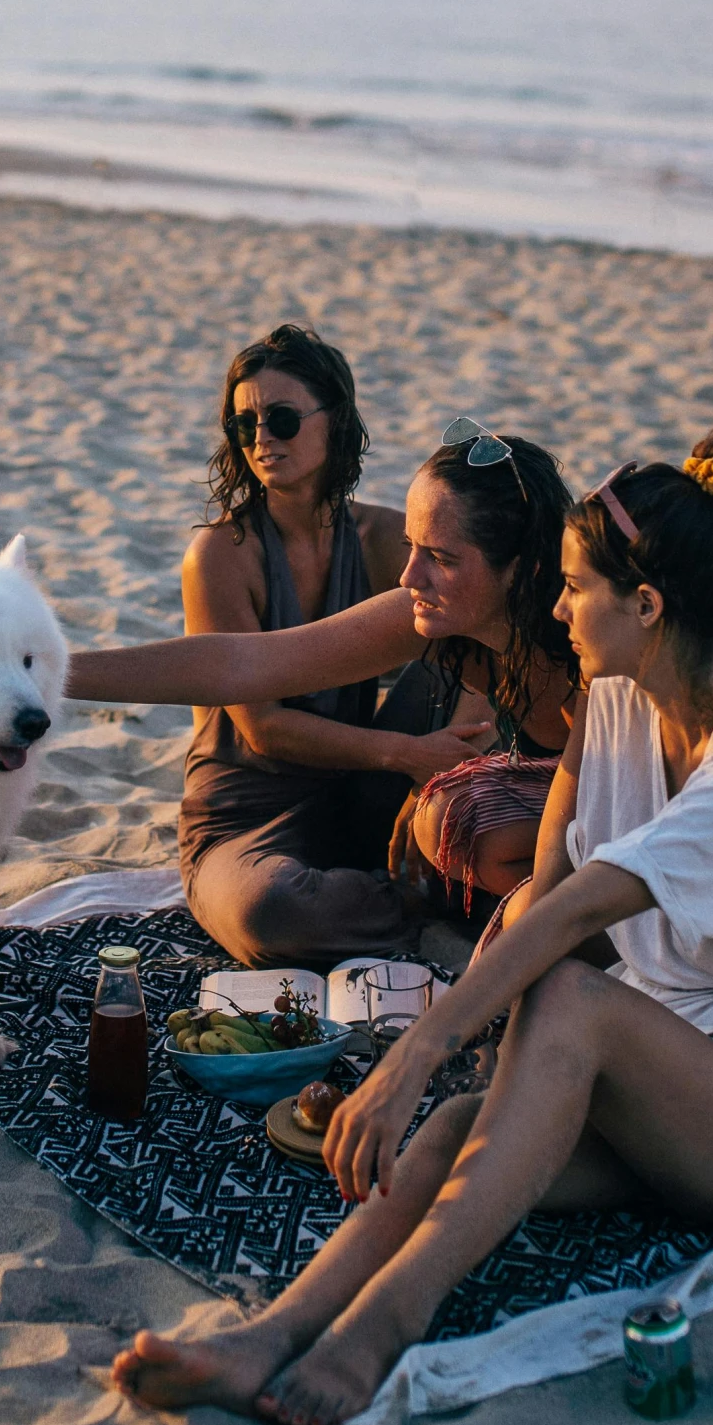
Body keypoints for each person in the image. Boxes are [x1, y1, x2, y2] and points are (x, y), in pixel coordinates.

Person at [108, 428, 713, 1425]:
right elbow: (540, 884)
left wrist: (418, 1051)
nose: (555, 608)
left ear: (643, 605)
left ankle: (373, 1336)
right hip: (673, 1073)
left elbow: (578, 910)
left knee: (567, 995)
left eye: (573, 586)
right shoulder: (617, 696)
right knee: (462, 1131)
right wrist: (451, 1058)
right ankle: (266, 1334)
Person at [178, 327, 502, 967]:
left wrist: (437, 777)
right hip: (241, 822)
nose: (263, 438)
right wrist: (408, 755)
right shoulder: (220, 556)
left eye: (283, 418)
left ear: (337, 422)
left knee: (458, 637)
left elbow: (485, 640)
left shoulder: (385, 538)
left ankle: (421, 886)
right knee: (269, 914)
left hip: (360, 797)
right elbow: (263, 728)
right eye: (245, 425)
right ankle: (419, 907)